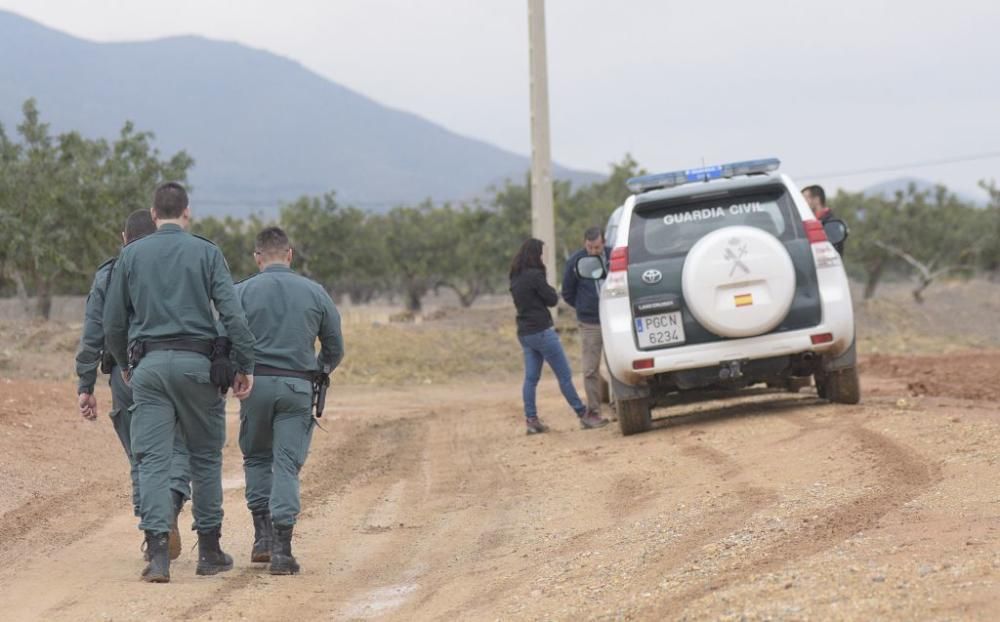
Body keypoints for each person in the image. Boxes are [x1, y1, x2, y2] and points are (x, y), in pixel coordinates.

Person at [104, 182, 256, 583]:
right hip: (198, 367)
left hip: (149, 368)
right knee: (204, 458)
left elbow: (114, 321)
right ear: (186, 213)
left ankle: (157, 556)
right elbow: (233, 314)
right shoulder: (206, 252)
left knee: (152, 459)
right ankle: (208, 551)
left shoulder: (131, 255)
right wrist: (244, 363)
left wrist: (123, 362)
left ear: (153, 215)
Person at [75, 209, 192, 561]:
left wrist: (86, 383)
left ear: (123, 239)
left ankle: (154, 532)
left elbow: (95, 332)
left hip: (128, 374)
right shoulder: (179, 262)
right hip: (181, 367)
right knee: (179, 445)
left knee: (142, 455)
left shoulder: (110, 273)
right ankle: (171, 500)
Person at [232, 226, 344, 575]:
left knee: (255, 458)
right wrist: (318, 369)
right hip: (298, 387)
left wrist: (239, 371)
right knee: (286, 465)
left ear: (257, 257)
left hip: (254, 385)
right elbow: (335, 347)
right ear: (290, 254)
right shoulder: (315, 292)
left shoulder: (241, 292)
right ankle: (282, 550)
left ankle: (261, 537)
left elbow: (226, 338)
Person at [509, 238, 608, 435]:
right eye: (541, 253)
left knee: (530, 379)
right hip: (543, 332)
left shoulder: (515, 277)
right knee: (564, 376)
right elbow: (552, 300)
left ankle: (531, 420)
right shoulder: (535, 275)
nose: (543, 257)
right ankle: (583, 414)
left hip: (525, 333)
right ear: (535, 254)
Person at [561, 226, 610, 422]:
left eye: (597, 247)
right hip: (590, 322)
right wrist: (583, 306)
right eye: (590, 247)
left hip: (613, 319)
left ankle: (619, 406)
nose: (593, 251)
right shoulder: (575, 262)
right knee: (591, 369)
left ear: (603, 244)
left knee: (619, 365)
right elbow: (567, 292)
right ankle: (595, 411)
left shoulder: (615, 255)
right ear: (585, 244)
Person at [802, 184, 844, 254]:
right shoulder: (810, 221)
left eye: (805, 198)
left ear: (816, 199)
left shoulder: (831, 223)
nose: (802, 202)